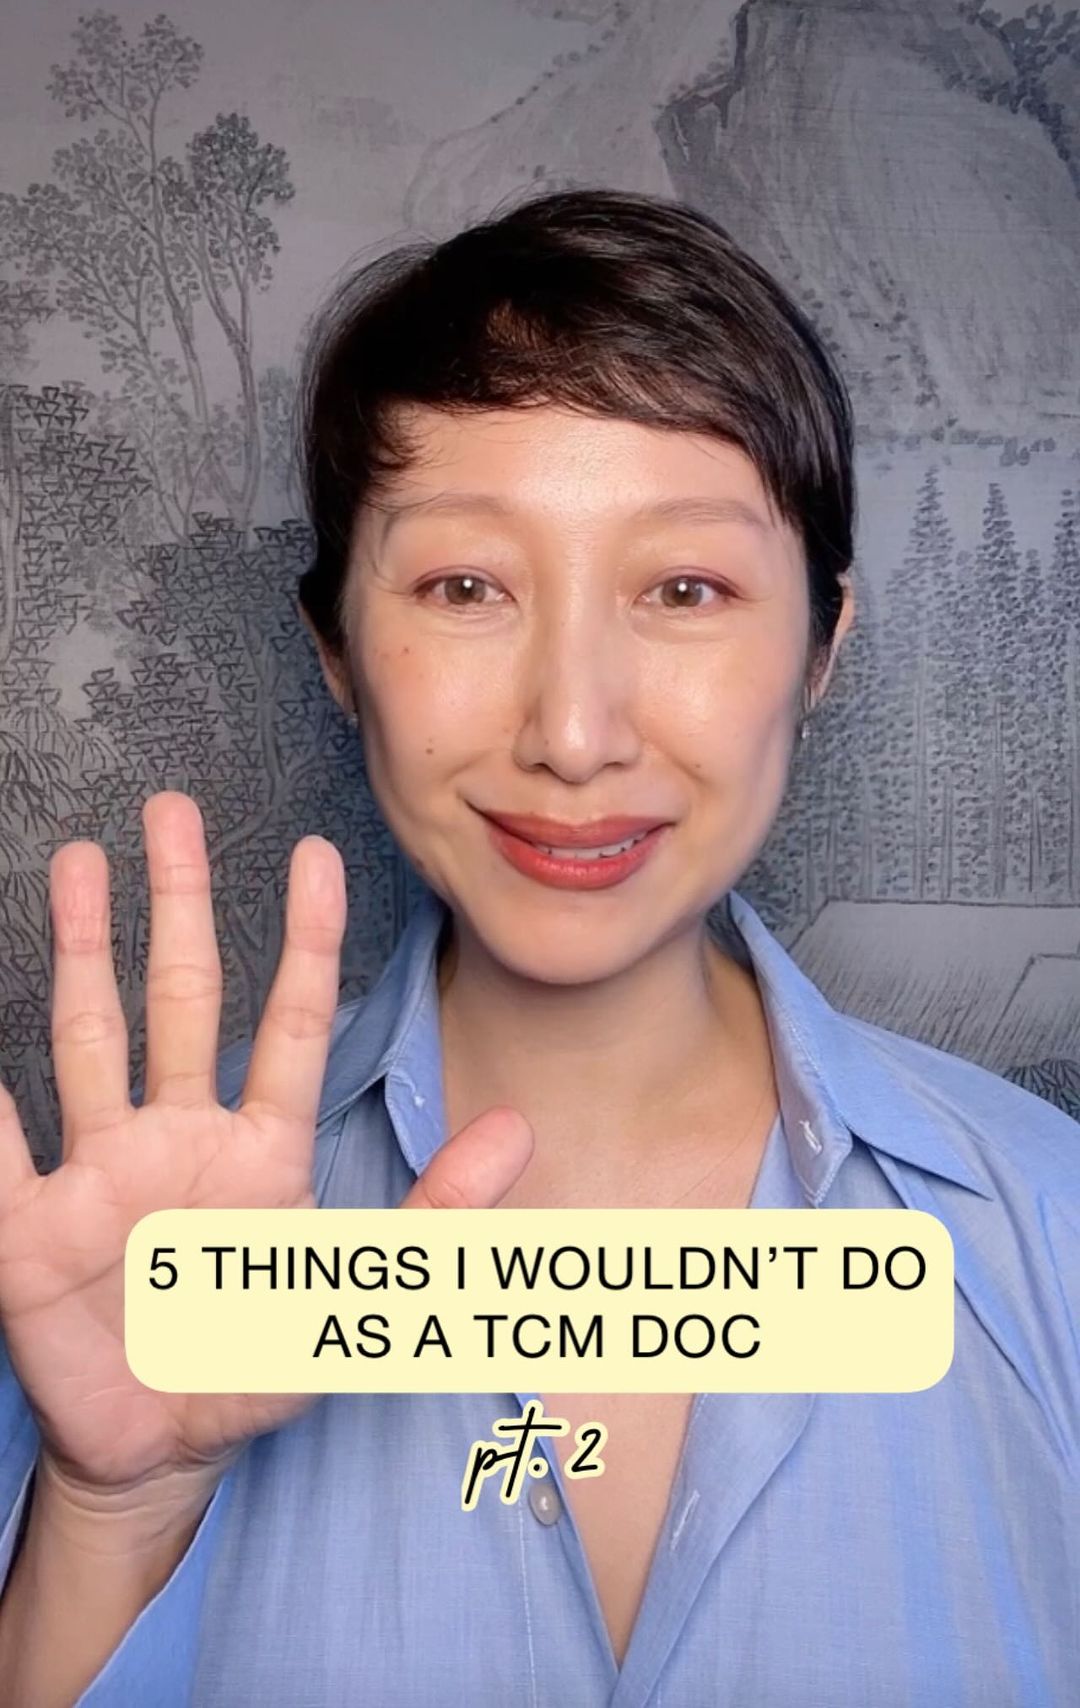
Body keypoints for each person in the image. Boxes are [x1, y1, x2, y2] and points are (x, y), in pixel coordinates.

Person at [0, 188, 1076, 1708]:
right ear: (336, 651)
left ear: (822, 647)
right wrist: (113, 1508)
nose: (574, 733)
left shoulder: (1050, 1238)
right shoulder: (125, 1258)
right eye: (466, 588)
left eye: (687, 589)